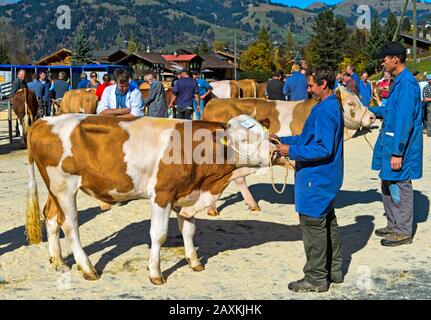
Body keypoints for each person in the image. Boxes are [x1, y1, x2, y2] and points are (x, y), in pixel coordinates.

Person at [273, 65, 344, 293]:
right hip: (327, 177)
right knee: (328, 223)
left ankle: (315, 278)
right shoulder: (330, 105)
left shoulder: (324, 110)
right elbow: (308, 138)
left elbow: (322, 148)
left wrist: (289, 152)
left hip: (316, 177)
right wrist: (282, 139)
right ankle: (334, 270)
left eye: (311, 86)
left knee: (313, 227)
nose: (309, 91)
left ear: (323, 84)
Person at [368, 42, 423, 247]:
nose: (383, 62)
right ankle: (393, 224)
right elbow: (391, 111)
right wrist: (369, 110)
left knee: (399, 186)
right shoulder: (397, 82)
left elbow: (403, 121)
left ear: (395, 59)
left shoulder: (407, 84)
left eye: (385, 58)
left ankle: (403, 231)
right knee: (386, 183)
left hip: (400, 147)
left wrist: (398, 153)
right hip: (389, 144)